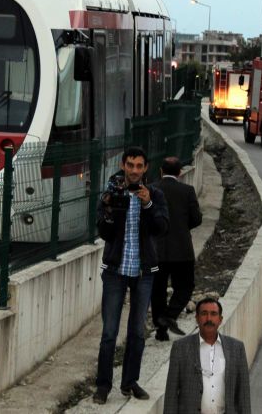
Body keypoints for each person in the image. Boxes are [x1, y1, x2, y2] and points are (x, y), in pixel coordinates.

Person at [93, 146, 169, 405]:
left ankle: (130, 382)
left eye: (139, 166)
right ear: (123, 166)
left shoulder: (156, 195)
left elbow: (161, 228)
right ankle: (103, 386)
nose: (134, 171)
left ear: (145, 168)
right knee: (109, 333)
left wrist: (147, 204)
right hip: (115, 271)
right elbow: (103, 232)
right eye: (130, 165)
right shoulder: (111, 194)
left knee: (137, 332)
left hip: (144, 272)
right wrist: (112, 210)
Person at [164, 298, 251, 414]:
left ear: (220, 320)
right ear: (197, 319)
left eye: (213, 314)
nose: (209, 319)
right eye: (204, 314)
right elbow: (171, 393)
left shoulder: (236, 348)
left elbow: (243, 395)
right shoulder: (180, 348)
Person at [152, 156, 203, 342]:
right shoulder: (187, 190)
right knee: (185, 286)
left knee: (157, 290)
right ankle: (170, 316)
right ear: (180, 172)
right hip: (182, 249)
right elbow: (196, 219)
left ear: (160, 171)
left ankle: (161, 329)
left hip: (157, 250)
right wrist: (182, 227)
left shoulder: (152, 189)